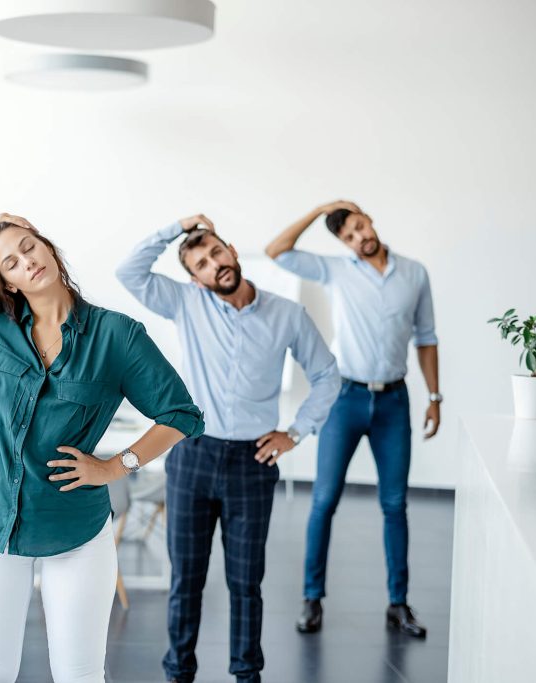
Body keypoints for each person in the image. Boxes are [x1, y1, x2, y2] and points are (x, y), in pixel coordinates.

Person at [0, 213, 204, 683]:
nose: (26, 262)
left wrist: (117, 467)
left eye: (29, 246)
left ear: (49, 248)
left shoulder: (117, 335)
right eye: (10, 262)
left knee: (80, 675)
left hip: (73, 528)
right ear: (8, 282)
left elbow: (181, 414)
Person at [116, 214, 340, 683]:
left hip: (251, 464)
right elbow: (129, 272)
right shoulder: (184, 302)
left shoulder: (287, 314)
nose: (213, 264)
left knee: (245, 583)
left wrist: (295, 432)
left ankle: (246, 673)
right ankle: (178, 671)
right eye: (200, 262)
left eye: (217, 252)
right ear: (193, 277)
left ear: (232, 252)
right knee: (187, 580)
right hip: (192, 455)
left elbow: (326, 375)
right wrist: (175, 228)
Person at [265, 200, 441, 638]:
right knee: (324, 500)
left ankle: (398, 604)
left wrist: (435, 396)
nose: (358, 237)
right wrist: (321, 209)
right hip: (345, 398)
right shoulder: (336, 270)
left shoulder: (415, 273)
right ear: (342, 242)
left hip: (393, 403)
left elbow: (427, 337)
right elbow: (276, 250)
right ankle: (312, 598)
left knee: (395, 504)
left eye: (360, 227)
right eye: (347, 235)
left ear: (371, 221)